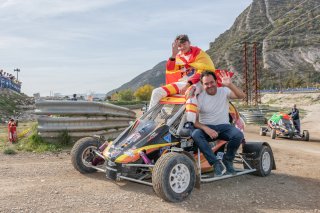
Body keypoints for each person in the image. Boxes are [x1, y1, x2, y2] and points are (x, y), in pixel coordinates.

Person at [148, 34, 215, 123]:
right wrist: (173, 54)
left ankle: (190, 123)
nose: (182, 47)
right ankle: (149, 121)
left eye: (184, 44)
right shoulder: (178, 56)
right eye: (180, 46)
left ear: (189, 43)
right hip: (182, 83)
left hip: (197, 83)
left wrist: (188, 84)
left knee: (190, 93)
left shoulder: (199, 53)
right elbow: (171, 69)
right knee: (156, 92)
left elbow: (203, 71)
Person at [191, 71, 245, 177]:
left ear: (216, 81)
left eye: (212, 82)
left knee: (238, 135)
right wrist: (206, 129)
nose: (210, 85)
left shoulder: (224, 91)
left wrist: (230, 84)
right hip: (207, 127)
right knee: (196, 134)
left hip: (224, 127)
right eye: (206, 84)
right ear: (202, 85)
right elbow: (195, 121)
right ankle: (215, 163)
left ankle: (228, 160)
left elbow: (241, 96)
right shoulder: (199, 98)